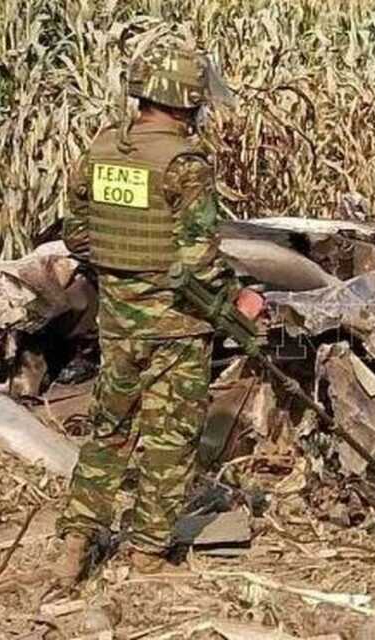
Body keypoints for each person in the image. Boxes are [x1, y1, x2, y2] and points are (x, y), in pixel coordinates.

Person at [55, 47, 264, 584]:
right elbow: (199, 262)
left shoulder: (102, 149)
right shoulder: (185, 164)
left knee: (109, 429)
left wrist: (123, 277)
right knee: (169, 440)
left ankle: (76, 543)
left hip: (117, 323)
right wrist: (239, 298)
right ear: (187, 101)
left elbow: (76, 236)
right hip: (176, 325)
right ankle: (147, 553)